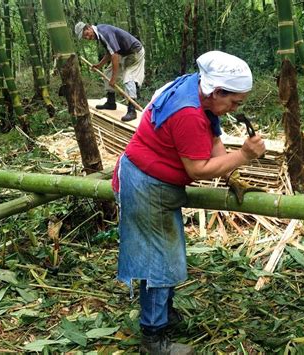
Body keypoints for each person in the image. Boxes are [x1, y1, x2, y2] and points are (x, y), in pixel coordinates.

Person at [112, 51, 266, 354]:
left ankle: (163, 315)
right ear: (217, 91)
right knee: (159, 262)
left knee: (165, 256)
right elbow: (197, 169)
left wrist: (228, 172)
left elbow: (212, 137)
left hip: (150, 180)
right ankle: (153, 339)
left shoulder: (195, 87)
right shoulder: (188, 113)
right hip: (146, 185)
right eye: (234, 102)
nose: (235, 109)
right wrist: (244, 156)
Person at [74, 22, 144, 122]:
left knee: (129, 78)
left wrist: (114, 78)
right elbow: (110, 52)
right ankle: (111, 102)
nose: (88, 38)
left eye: (86, 34)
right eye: (85, 37)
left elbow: (114, 55)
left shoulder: (104, 33)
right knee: (108, 72)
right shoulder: (100, 34)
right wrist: (99, 65)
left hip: (134, 52)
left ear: (89, 27)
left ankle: (132, 110)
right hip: (122, 53)